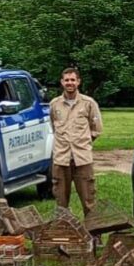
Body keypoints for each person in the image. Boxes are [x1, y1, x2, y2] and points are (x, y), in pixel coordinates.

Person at [48, 67, 102, 216]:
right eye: (66, 80)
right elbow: (53, 127)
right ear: (62, 82)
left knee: (89, 201)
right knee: (61, 203)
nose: (69, 83)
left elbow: (96, 129)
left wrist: (82, 143)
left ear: (78, 82)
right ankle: (64, 229)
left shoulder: (88, 103)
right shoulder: (54, 104)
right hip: (61, 159)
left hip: (82, 159)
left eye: (73, 80)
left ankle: (92, 230)